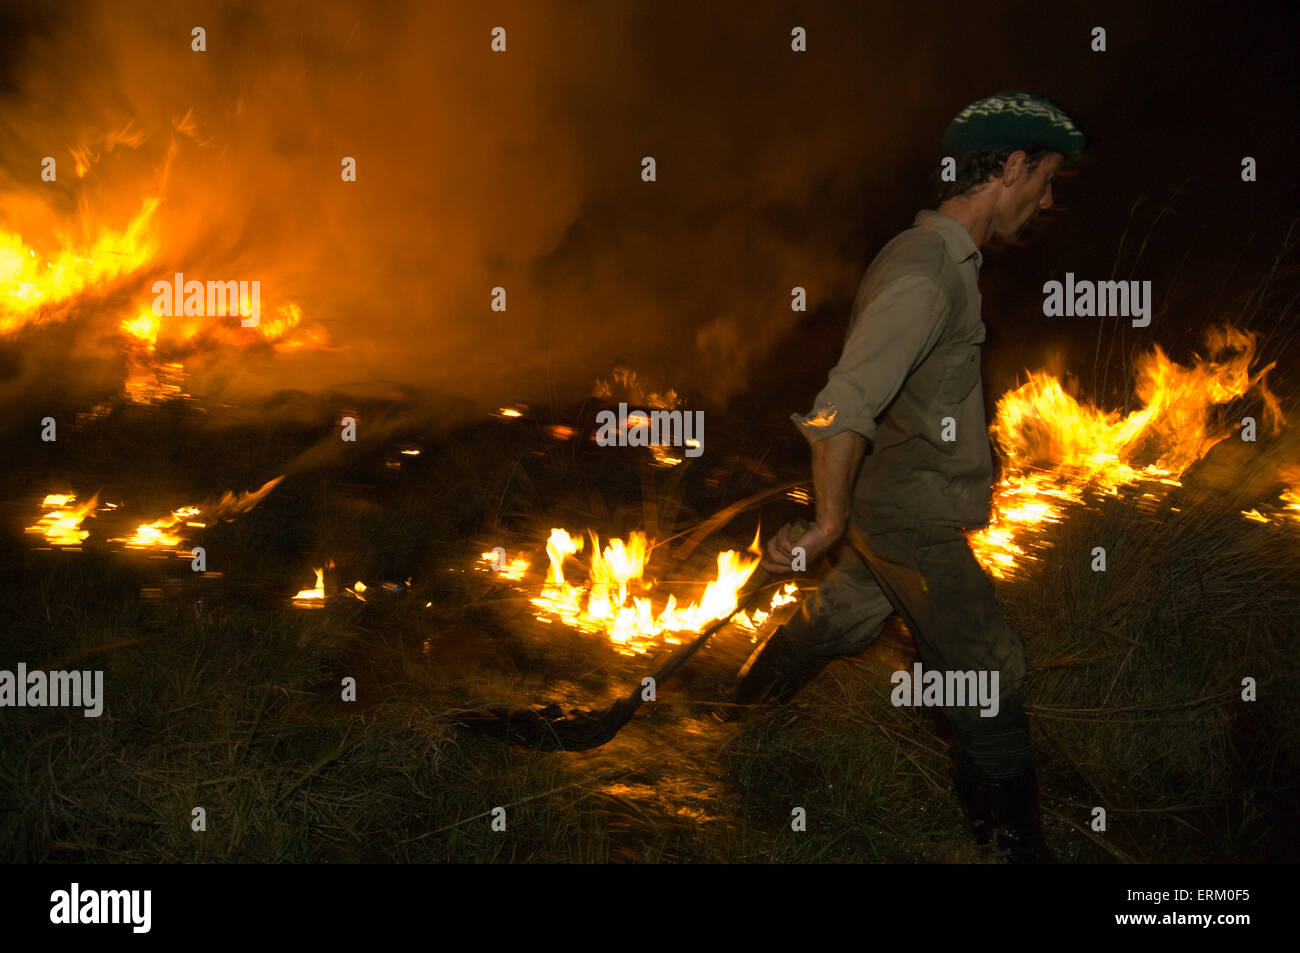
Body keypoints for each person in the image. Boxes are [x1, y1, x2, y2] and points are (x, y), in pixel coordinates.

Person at [741, 91, 1086, 863]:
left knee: (842, 620)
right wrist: (826, 524)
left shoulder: (932, 259)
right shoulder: (928, 273)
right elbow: (844, 405)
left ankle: (727, 713)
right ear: (1013, 166)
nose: (1048, 198)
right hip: (909, 518)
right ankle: (1010, 846)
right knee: (988, 670)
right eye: (1047, 178)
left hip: (884, 501)